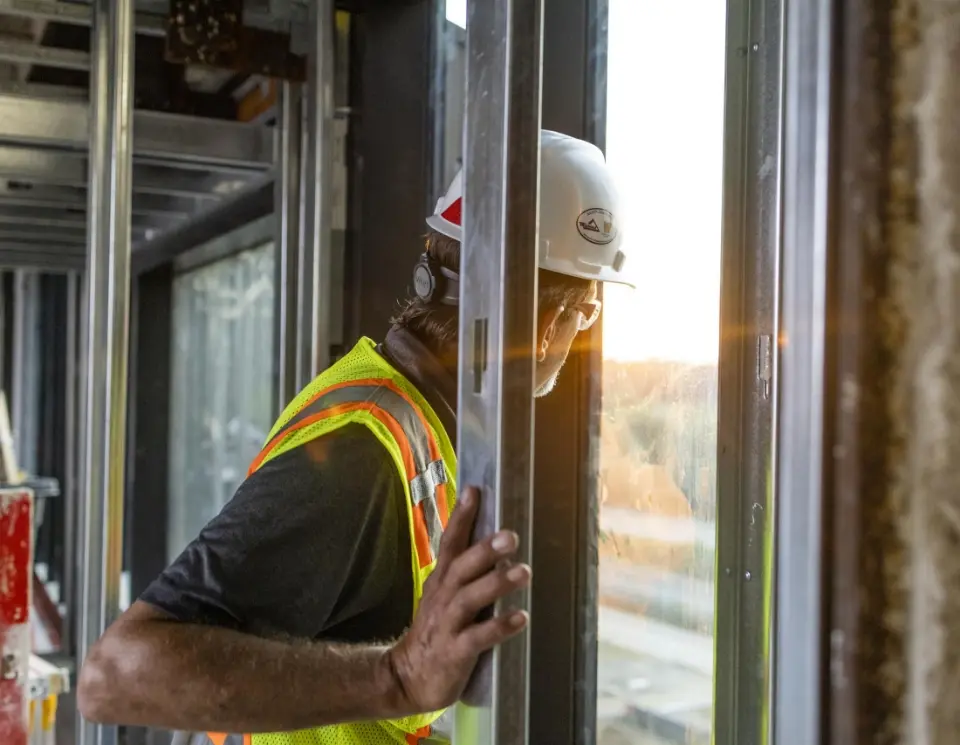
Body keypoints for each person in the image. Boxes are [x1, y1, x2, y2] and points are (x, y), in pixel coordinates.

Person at [76, 130, 634, 745]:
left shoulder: (423, 422)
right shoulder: (363, 447)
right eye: (589, 314)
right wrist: (398, 677)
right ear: (553, 321)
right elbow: (116, 675)